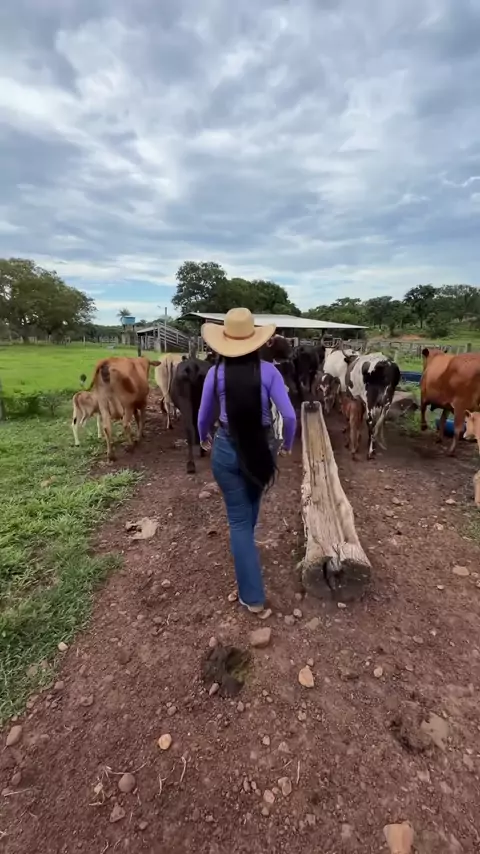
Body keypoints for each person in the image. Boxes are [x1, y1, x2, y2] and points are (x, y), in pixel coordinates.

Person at [197, 308, 297, 614]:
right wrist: (287, 444)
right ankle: (248, 570)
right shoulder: (270, 372)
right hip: (261, 448)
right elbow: (290, 416)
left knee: (239, 521)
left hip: (226, 449)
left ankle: (251, 594)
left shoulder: (215, 373)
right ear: (255, 340)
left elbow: (203, 416)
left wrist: (203, 437)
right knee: (249, 509)